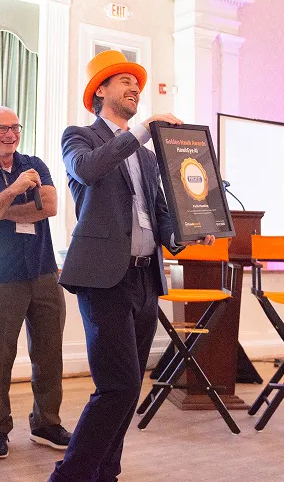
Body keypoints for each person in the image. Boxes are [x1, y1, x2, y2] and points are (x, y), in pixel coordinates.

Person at [48, 50, 213, 482]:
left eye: (136, 81)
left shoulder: (146, 156)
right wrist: (141, 130)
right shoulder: (79, 137)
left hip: (144, 277)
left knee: (128, 389)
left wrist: (183, 234)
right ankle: (69, 475)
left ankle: (107, 473)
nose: (134, 86)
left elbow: (158, 212)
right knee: (117, 387)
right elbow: (86, 171)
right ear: (100, 90)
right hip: (103, 278)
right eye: (124, 80)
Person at [0, 106, 72, 459]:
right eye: (2, 128)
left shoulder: (35, 164)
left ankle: (46, 424)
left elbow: (51, 205)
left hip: (43, 272)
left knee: (49, 353)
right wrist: (14, 194)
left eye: (15, 128)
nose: (9, 134)